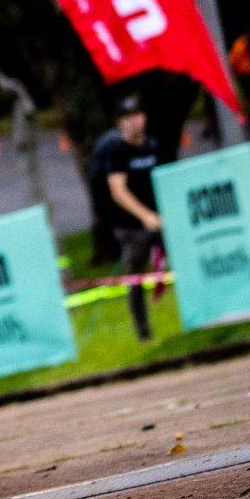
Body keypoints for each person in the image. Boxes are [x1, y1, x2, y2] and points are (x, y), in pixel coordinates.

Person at [88, 96, 163, 342]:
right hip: (131, 226)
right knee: (136, 277)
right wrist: (146, 216)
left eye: (137, 116)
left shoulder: (152, 145)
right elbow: (118, 190)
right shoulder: (117, 150)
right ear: (121, 122)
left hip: (158, 220)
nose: (134, 122)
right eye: (128, 118)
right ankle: (144, 332)